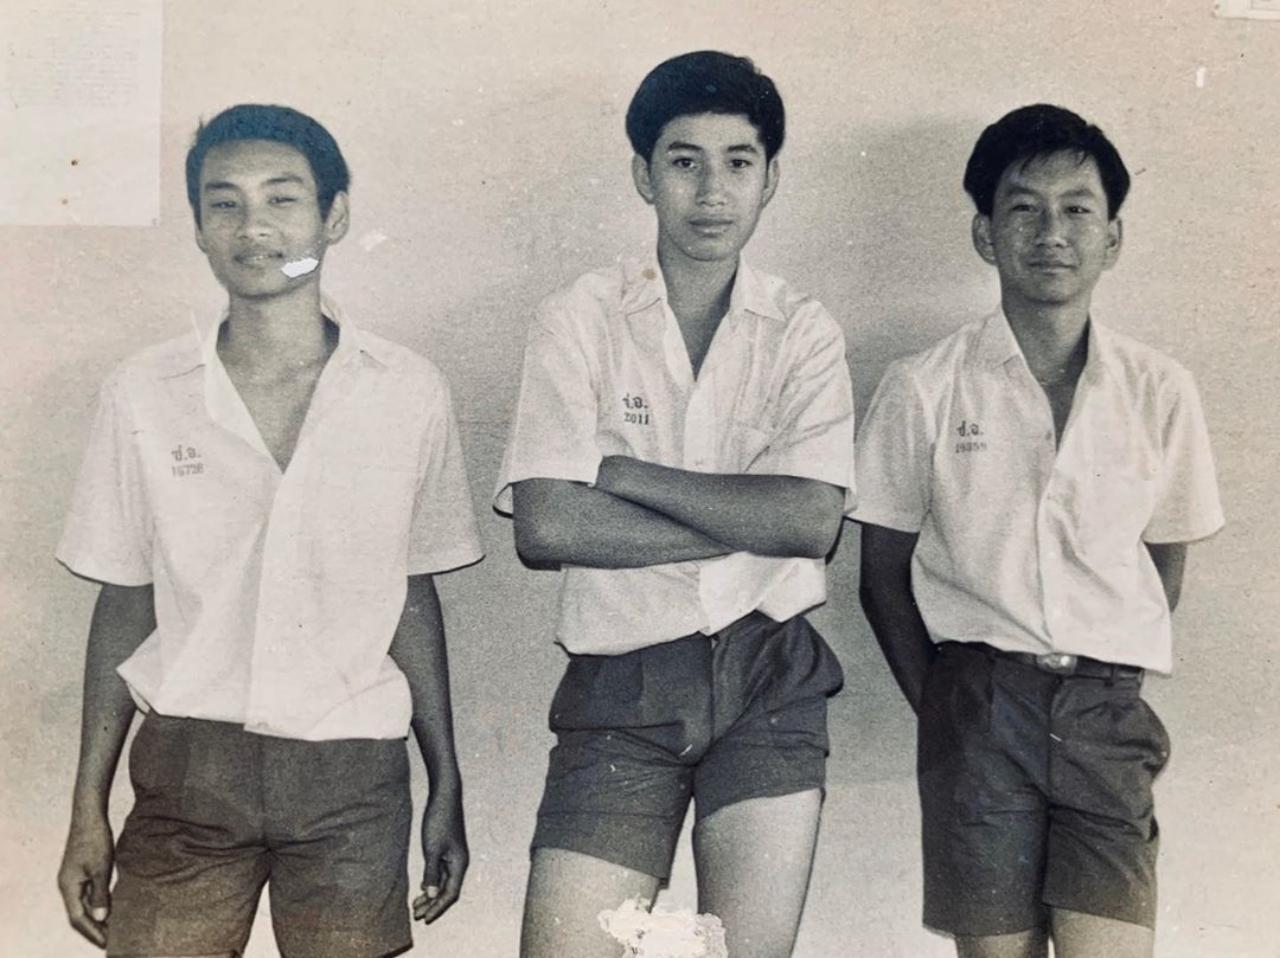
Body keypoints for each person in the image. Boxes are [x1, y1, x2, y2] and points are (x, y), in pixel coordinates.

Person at [54, 103, 482, 958]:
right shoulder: (144, 391)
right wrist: (86, 811)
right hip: (187, 772)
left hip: (351, 776)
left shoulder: (406, 391)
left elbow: (412, 595)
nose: (253, 227)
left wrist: (447, 782)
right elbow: (124, 600)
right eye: (226, 204)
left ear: (335, 215)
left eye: (282, 198)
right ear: (199, 229)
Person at [494, 50, 856, 958]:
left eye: (738, 162)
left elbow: (812, 524)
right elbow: (545, 525)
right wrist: (747, 517)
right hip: (621, 680)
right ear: (643, 175)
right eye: (684, 160)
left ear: (770, 179)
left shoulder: (802, 329)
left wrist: (622, 472)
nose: (711, 191)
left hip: (771, 673)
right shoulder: (578, 317)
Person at [853, 104, 1224, 958]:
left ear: (1112, 237)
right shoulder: (924, 386)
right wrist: (951, 710)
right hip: (978, 706)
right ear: (985, 234)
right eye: (1023, 208)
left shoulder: (1160, 390)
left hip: (1106, 714)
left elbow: (1163, 568)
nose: (1051, 232)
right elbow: (880, 577)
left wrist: (1101, 666)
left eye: (1076, 209)